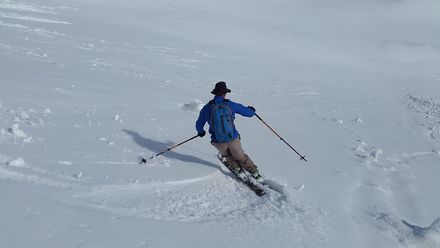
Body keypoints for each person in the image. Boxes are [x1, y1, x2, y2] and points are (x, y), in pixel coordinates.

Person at [195, 81, 263, 182]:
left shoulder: (207, 107)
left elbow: (199, 123)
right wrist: (252, 110)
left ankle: (237, 169)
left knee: (227, 156)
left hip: (218, 141)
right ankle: (255, 173)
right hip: (233, 138)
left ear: (215, 94)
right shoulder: (230, 104)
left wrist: (200, 132)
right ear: (224, 93)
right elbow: (249, 113)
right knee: (241, 156)